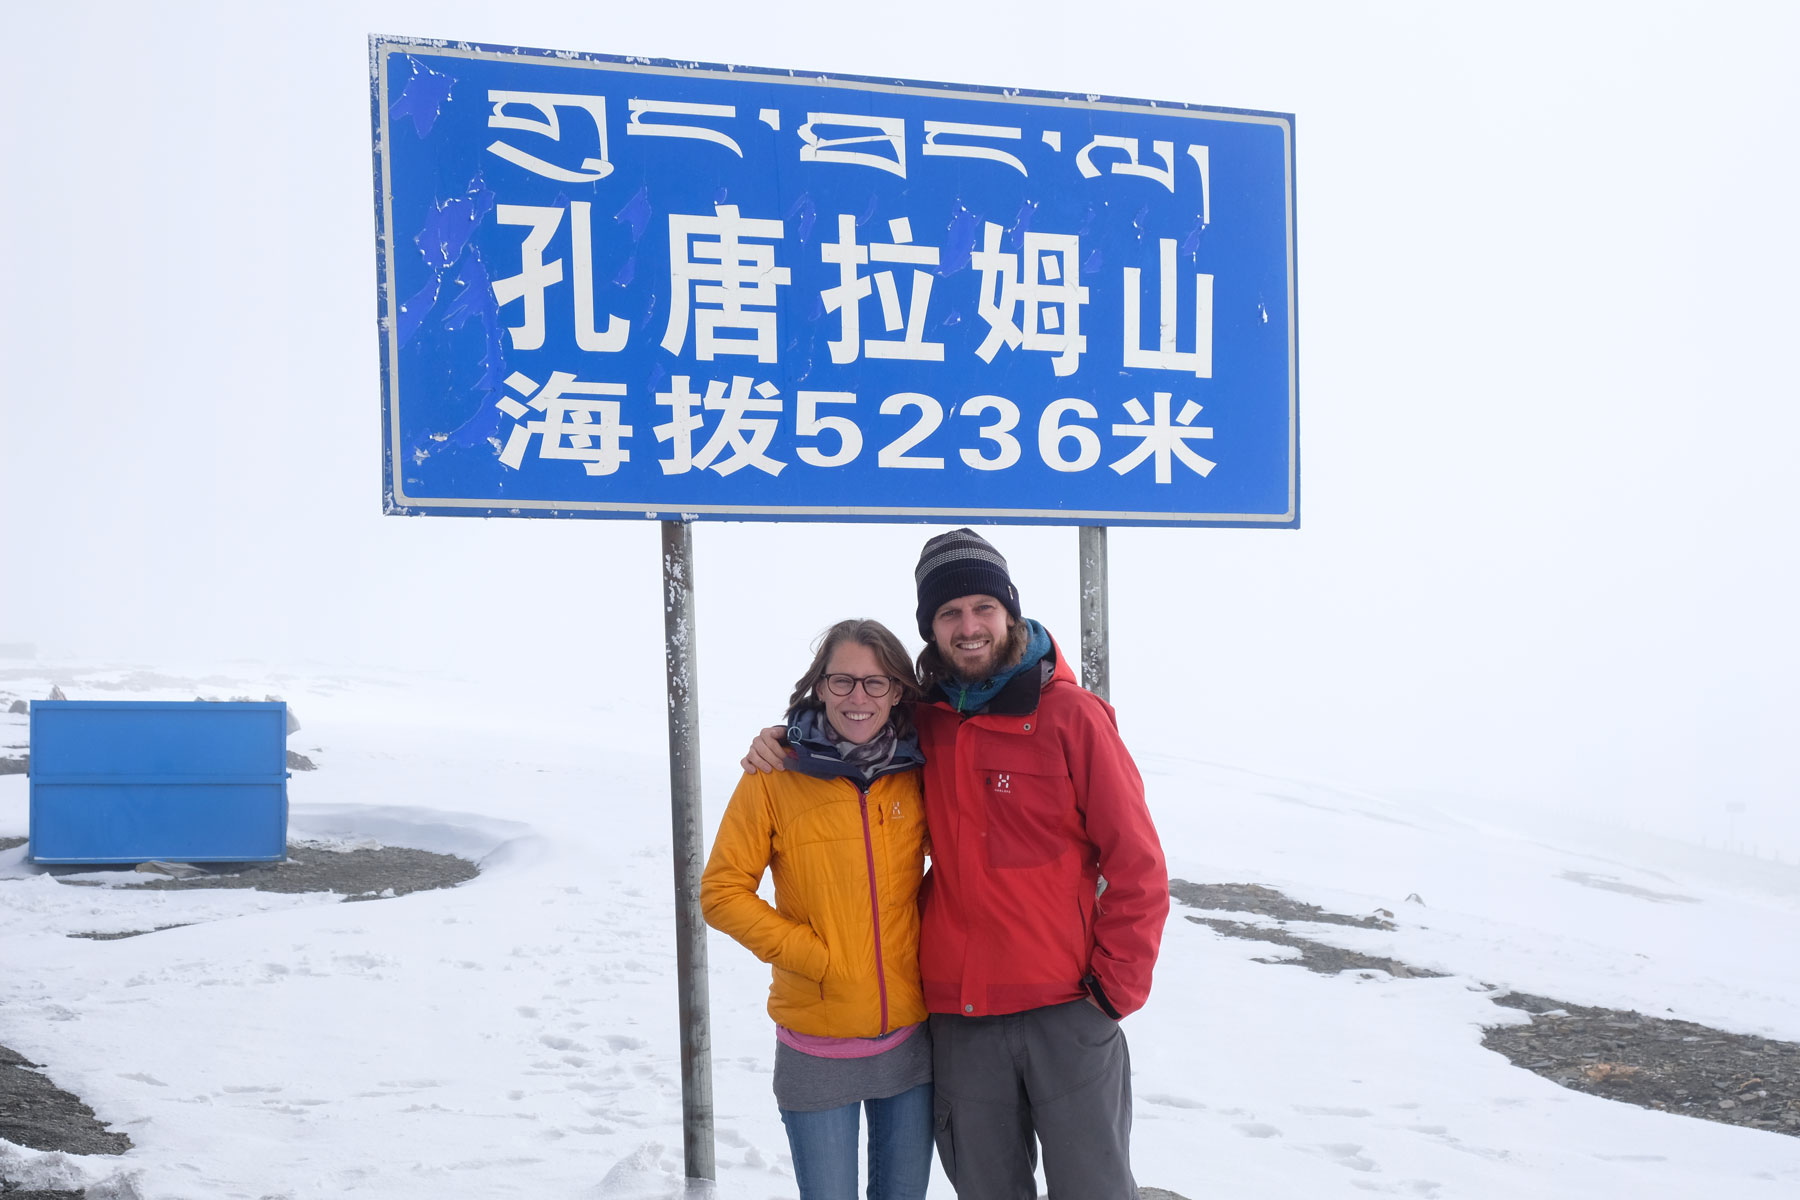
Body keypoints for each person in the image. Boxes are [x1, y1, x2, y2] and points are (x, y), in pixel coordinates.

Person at [745, 528, 1169, 1200]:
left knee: (1094, 1190)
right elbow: (852, 717)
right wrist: (780, 738)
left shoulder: (1072, 717)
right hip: (960, 1020)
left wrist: (1113, 991)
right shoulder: (925, 719)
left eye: (982, 608)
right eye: (949, 613)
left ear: (1010, 613)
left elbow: (1138, 866)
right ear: (931, 627)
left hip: (1068, 1011)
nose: (968, 626)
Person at [702, 618, 934, 1200]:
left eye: (875, 683)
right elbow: (722, 891)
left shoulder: (916, 774)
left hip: (911, 1041)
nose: (858, 698)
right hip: (818, 1042)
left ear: (898, 690)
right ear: (819, 685)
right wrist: (816, 956)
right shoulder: (774, 773)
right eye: (842, 681)